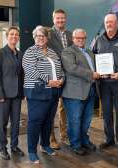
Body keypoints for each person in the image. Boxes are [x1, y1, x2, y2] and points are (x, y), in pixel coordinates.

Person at [23, 25, 64, 164]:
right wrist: (49, 80)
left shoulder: (52, 52)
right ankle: (32, 151)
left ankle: (45, 145)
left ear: (47, 38)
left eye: (43, 36)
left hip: (53, 92)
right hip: (37, 92)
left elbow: (60, 68)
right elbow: (30, 70)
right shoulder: (30, 52)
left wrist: (61, 79)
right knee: (35, 122)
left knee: (48, 121)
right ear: (34, 37)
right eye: (38, 36)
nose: (40, 38)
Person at [93, 13, 118, 152]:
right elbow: (93, 57)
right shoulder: (99, 39)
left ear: (117, 23)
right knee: (107, 112)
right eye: (107, 22)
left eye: (111, 22)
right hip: (103, 83)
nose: (109, 24)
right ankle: (109, 139)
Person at [61, 28, 100, 155]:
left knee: (87, 119)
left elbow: (96, 68)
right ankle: (75, 144)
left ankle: (84, 141)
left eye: (83, 38)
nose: (81, 40)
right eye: (78, 38)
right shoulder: (68, 51)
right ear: (73, 39)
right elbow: (72, 68)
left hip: (90, 90)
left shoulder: (89, 52)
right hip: (74, 92)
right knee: (75, 120)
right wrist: (92, 74)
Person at [0, 26, 24, 160]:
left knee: (16, 122)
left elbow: (22, 75)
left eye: (16, 35)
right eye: (11, 34)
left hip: (17, 94)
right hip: (4, 95)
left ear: (18, 38)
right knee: (2, 123)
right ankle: (2, 147)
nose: (14, 36)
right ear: (7, 36)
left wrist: (22, 92)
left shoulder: (21, 54)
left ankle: (14, 146)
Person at [47, 9, 72, 149]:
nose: (60, 20)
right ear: (53, 19)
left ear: (65, 19)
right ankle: (51, 138)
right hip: (53, 76)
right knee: (51, 108)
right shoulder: (48, 34)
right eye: (58, 18)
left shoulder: (70, 35)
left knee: (64, 108)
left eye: (62, 18)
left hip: (68, 77)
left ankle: (64, 135)